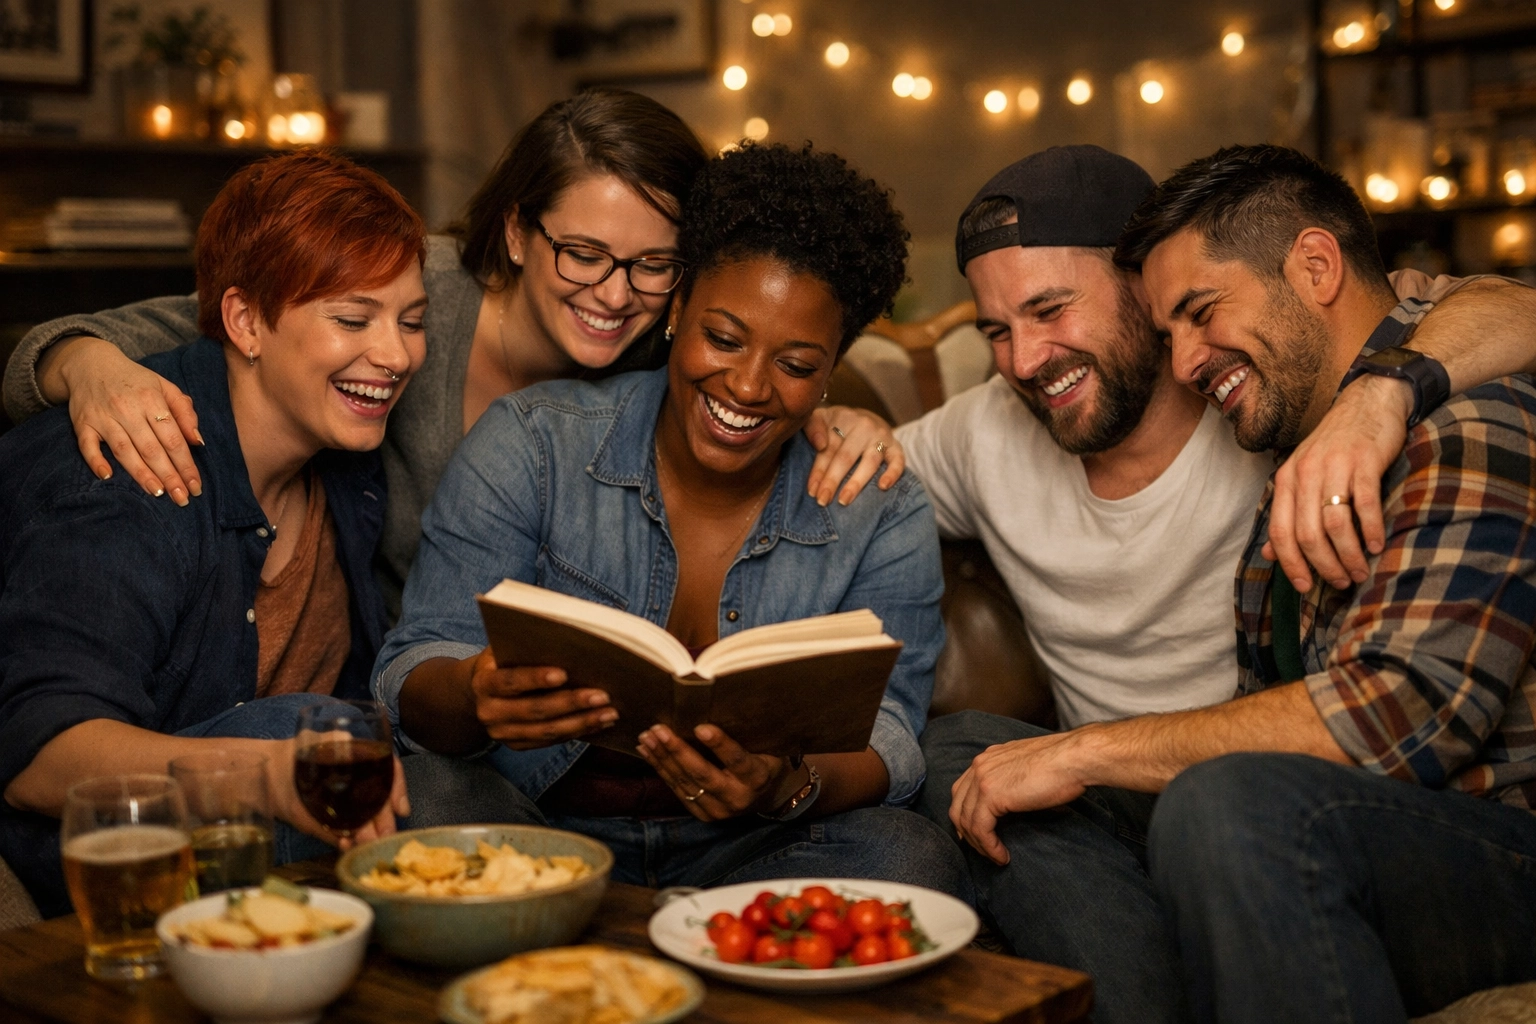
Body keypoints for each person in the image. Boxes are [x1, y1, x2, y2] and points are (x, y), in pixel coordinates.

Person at [907, 146, 1536, 1024]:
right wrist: (843, 424)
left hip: (1489, 847)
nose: (1187, 363)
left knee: (1226, 802)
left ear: (1315, 268)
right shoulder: (1279, 416)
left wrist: (1382, 397)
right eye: (1173, 332)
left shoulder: (1463, 415)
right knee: (974, 752)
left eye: (1199, 315)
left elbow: (1400, 710)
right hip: (1288, 817)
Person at [1, 88, 899, 624]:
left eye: (655, 265)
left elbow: (765, 368)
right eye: (583, 254)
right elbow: (188, 323)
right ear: (514, 229)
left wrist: (838, 414)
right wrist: (87, 365)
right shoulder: (408, 293)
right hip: (399, 681)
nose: (615, 293)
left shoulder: (661, 351)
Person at [373, 142, 970, 898]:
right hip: (537, 824)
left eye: (795, 364)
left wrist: (782, 784)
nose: (748, 386)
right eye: (723, 338)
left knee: (910, 856)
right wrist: (473, 693)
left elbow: (891, 734)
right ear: (678, 307)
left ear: (832, 368)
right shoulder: (534, 442)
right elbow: (413, 662)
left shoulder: (882, 508)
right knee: (426, 798)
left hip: (750, 845)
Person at [0, 152, 420, 917]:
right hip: (78, 860)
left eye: (413, 321)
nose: (395, 356)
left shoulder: (348, 460)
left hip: (241, 869)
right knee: (305, 733)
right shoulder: (131, 465)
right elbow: (37, 756)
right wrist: (263, 774)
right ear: (246, 322)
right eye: (354, 319)